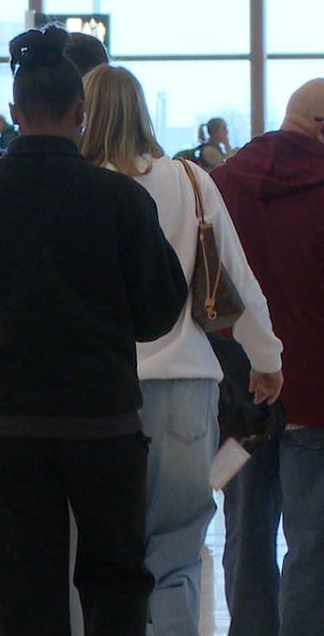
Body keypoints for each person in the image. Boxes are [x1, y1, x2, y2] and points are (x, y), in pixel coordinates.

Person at [0, 26, 188, 636]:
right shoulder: (119, 199)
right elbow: (158, 312)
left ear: (12, 114)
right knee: (116, 580)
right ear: (80, 112)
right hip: (104, 419)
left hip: (8, 422)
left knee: (24, 582)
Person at [77, 64, 282, 636]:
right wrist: (267, 362)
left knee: (90, 558)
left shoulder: (73, 187)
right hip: (184, 391)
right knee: (175, 555)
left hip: (92, 393)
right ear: (143, 112)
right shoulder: (190, 180)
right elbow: (237, 283)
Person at [210, 78, 324, 636]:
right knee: (313, 543)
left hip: (238, 397)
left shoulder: (220, 182)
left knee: (247, 532)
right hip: (316, 397)